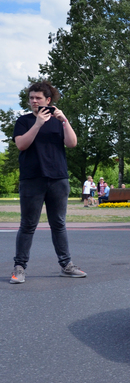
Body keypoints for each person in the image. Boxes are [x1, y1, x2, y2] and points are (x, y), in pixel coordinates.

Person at [10, 81, 86, 284]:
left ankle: (66, 265)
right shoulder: (24, 121)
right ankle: (19, 267)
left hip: (58, 179)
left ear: (48, 100)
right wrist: (38, 124)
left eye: (38, 98)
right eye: (31, 98)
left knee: (58, 224)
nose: (34, 101)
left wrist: (65, 120)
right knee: (28, 225)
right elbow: (21, 145)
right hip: (32, 179)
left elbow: (72, 143)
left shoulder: (58, 121)